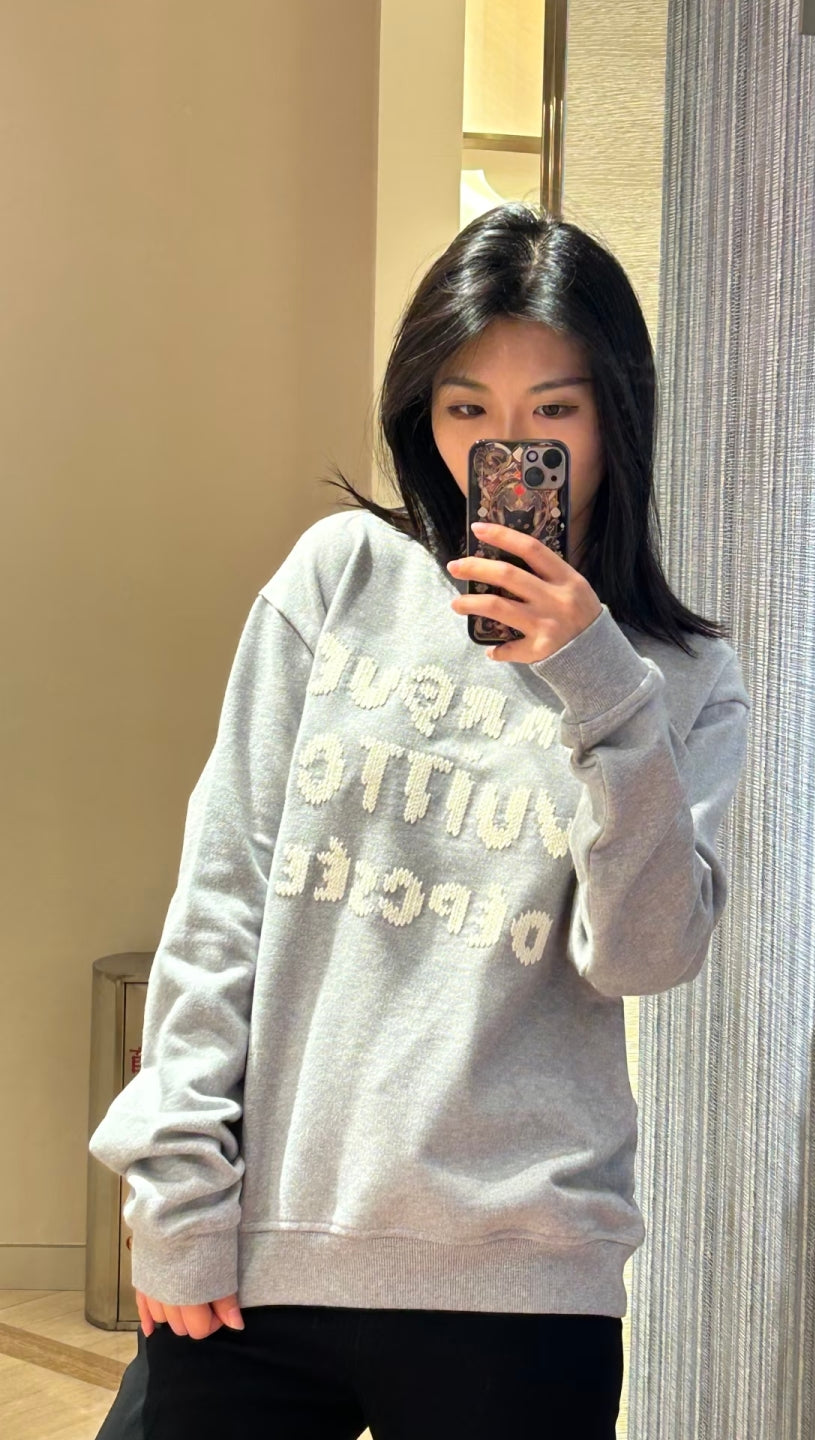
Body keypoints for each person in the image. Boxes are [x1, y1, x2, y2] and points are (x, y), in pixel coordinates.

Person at [89, 201, 751, 1440]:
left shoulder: (679, 678)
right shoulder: (338, 576)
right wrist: (175, 1189)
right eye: (468, 410)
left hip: (522, 1281)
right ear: (423, 417)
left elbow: (644, 955)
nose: (511, 448)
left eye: (554, 411)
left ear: (616, 416)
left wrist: (599, 682)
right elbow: (223, 893)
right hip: (261, 1258)